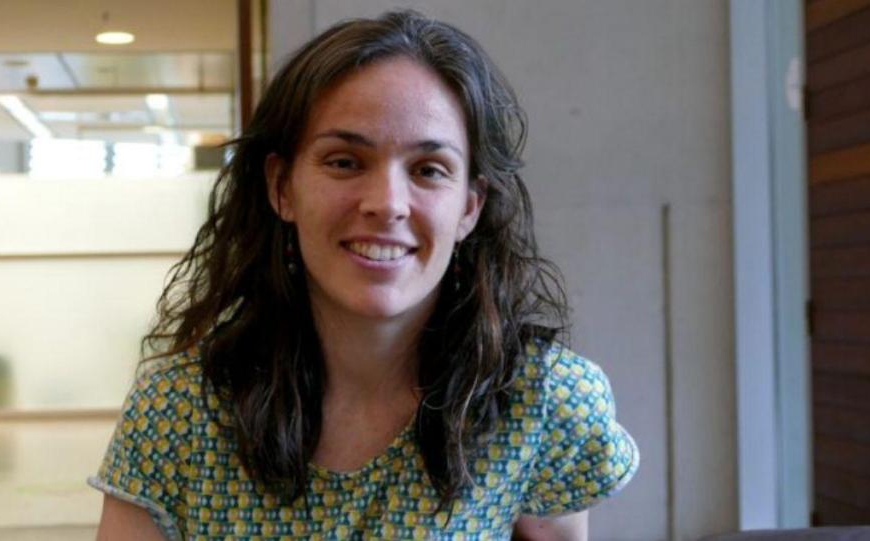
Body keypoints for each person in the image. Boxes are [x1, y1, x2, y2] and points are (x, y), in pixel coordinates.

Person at [90, 10, 638, 541]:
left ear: (470, 207)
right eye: (345, 162)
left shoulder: (543, 401)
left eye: (428, 170)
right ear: (282, 187)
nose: (387, 203)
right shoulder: (177, 410)